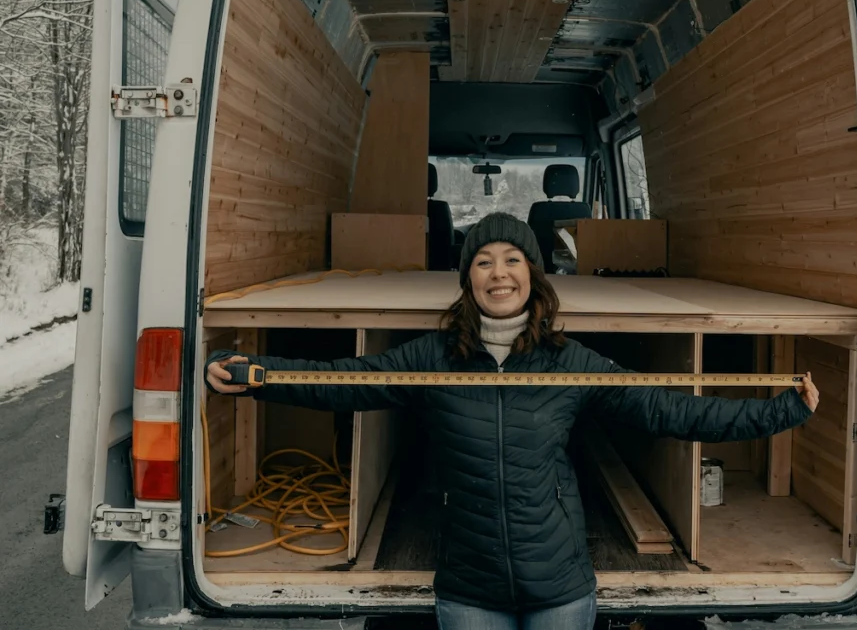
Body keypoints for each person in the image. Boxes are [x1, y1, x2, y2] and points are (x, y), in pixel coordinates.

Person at [206, 211, 819, 630]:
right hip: (469, 588)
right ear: (468, 277)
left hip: (560, 586)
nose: (499, 273)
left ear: (533, 273)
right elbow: (340, 381)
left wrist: (782, 410)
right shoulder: (432, 357)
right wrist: (253, 374)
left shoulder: (569, 361)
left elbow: (673, 409)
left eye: (513, 260)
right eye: (484, 262)